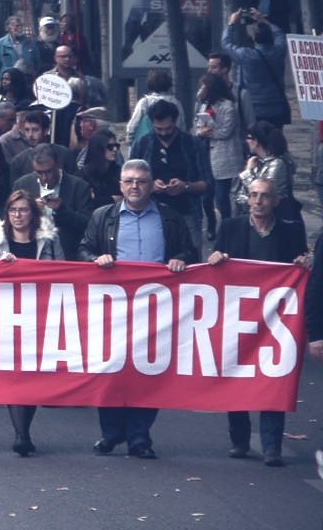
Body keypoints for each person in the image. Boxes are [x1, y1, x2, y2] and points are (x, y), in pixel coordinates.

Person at [79, 159, 197, 458]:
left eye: (141, 181)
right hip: (114, 308)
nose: (134, 186)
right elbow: (83, 249)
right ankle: (110, 432)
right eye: (129, 180)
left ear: (152, 185)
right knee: (111, 368)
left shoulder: (169, 217)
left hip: (155, 307)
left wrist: (180, 258)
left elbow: (189, 251)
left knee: (148, 370)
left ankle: (139, 437)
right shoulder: (102, 216)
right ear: (120, 184)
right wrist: (96, 259)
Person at [207, 177, 309, 466]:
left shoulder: (291, 232)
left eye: (264, 196)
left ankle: (271, 446)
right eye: (253, 195)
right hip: (238, 318)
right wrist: (215, 258)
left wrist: (302, 263)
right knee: (237, 377)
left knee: (273, 378)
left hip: (275, 322)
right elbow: (215, 263)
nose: (258, 201)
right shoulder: (230, 228)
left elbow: (297, 266)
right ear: (246, 199)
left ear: (276, 201)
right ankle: (239, 441)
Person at [0, 189, 63, 454]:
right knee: (14, 374)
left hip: (39, 314)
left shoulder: (48, 240)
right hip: (6, 314)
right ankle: (21, 434)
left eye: (23, 210)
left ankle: (25, 428)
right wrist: (0, 266)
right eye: (13, 210)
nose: (18, 215)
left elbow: (61, 270)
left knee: (32, 373)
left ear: (33, 213)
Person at [127, 100, 210, 255]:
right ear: (151, 123)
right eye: (158, 129)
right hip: (151, 213)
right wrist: (150, 186)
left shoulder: (192, 143)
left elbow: (207, 184)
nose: (164, 133)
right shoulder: (142, 144)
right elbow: (128, 181)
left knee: (191, 259)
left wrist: (185, 186)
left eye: (168, 128)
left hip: (187, 212)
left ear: (175, 121)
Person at [224, 7, 289, 127]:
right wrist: (262, 19)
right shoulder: (279, 51)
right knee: (274, 138)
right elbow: (280, 34)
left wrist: (231, 23)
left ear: (254, 38)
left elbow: (226, 43)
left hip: (254, 106)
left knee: (256, 139)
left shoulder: (246, 54)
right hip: (276, 105)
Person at [196, 71, 245, 224]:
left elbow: (226, 131)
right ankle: (212, 223)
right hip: (207, 154)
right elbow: (198, 125)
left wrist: (209, 132)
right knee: (208, 194)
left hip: (225, 155)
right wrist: (201, 131)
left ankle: (227, 223)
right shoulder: (205, 105)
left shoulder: (228, 106)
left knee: (222, 195)